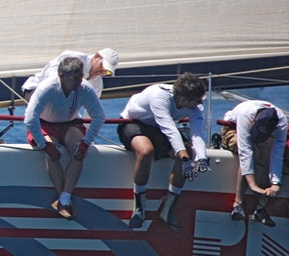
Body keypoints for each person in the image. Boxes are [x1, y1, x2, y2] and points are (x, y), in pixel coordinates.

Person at [117, 72, 209, 230]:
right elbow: (170, 129)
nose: (200, 103)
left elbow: (197, 133)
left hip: (158, 129)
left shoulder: (195, 106)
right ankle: (139, 208)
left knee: (188, 151)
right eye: (197, 100)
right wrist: (185, 159)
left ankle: (168, 209)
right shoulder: (159, 96)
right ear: (182, 99)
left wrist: (202, 158)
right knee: (146, 151)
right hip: (133, 123)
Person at [24, 56, 106, 219]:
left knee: (78, 152)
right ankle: (64, 200)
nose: (78, 82)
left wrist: (86, 142)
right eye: (74, 79)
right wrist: (44, 144)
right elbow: (30, 118)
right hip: (45, 123)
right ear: (62, 76)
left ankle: (64, 198)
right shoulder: (47, 87)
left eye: (80, 77)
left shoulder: (85, 88)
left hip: (69, 123)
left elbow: (99, 116)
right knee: (51, 154)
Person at [220, 101, 287, 226]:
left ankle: (261, 208)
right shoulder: (245, 115)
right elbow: (245, 152)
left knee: (267, 150)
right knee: (253, 150)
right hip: (233, 129)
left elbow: (277, 153)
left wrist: (275, 183)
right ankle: (238, 204)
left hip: (267, 136)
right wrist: (253, 185)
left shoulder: (281, 122)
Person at [21, 48, 119, 100]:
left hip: (64, 103)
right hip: (36, 89)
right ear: (96, 56)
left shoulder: (97, 84)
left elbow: (92, 110)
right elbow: (51, 74)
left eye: (107, 71)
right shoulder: (74, 57)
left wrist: (86, 131)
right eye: (102, 66)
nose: (102, 72)